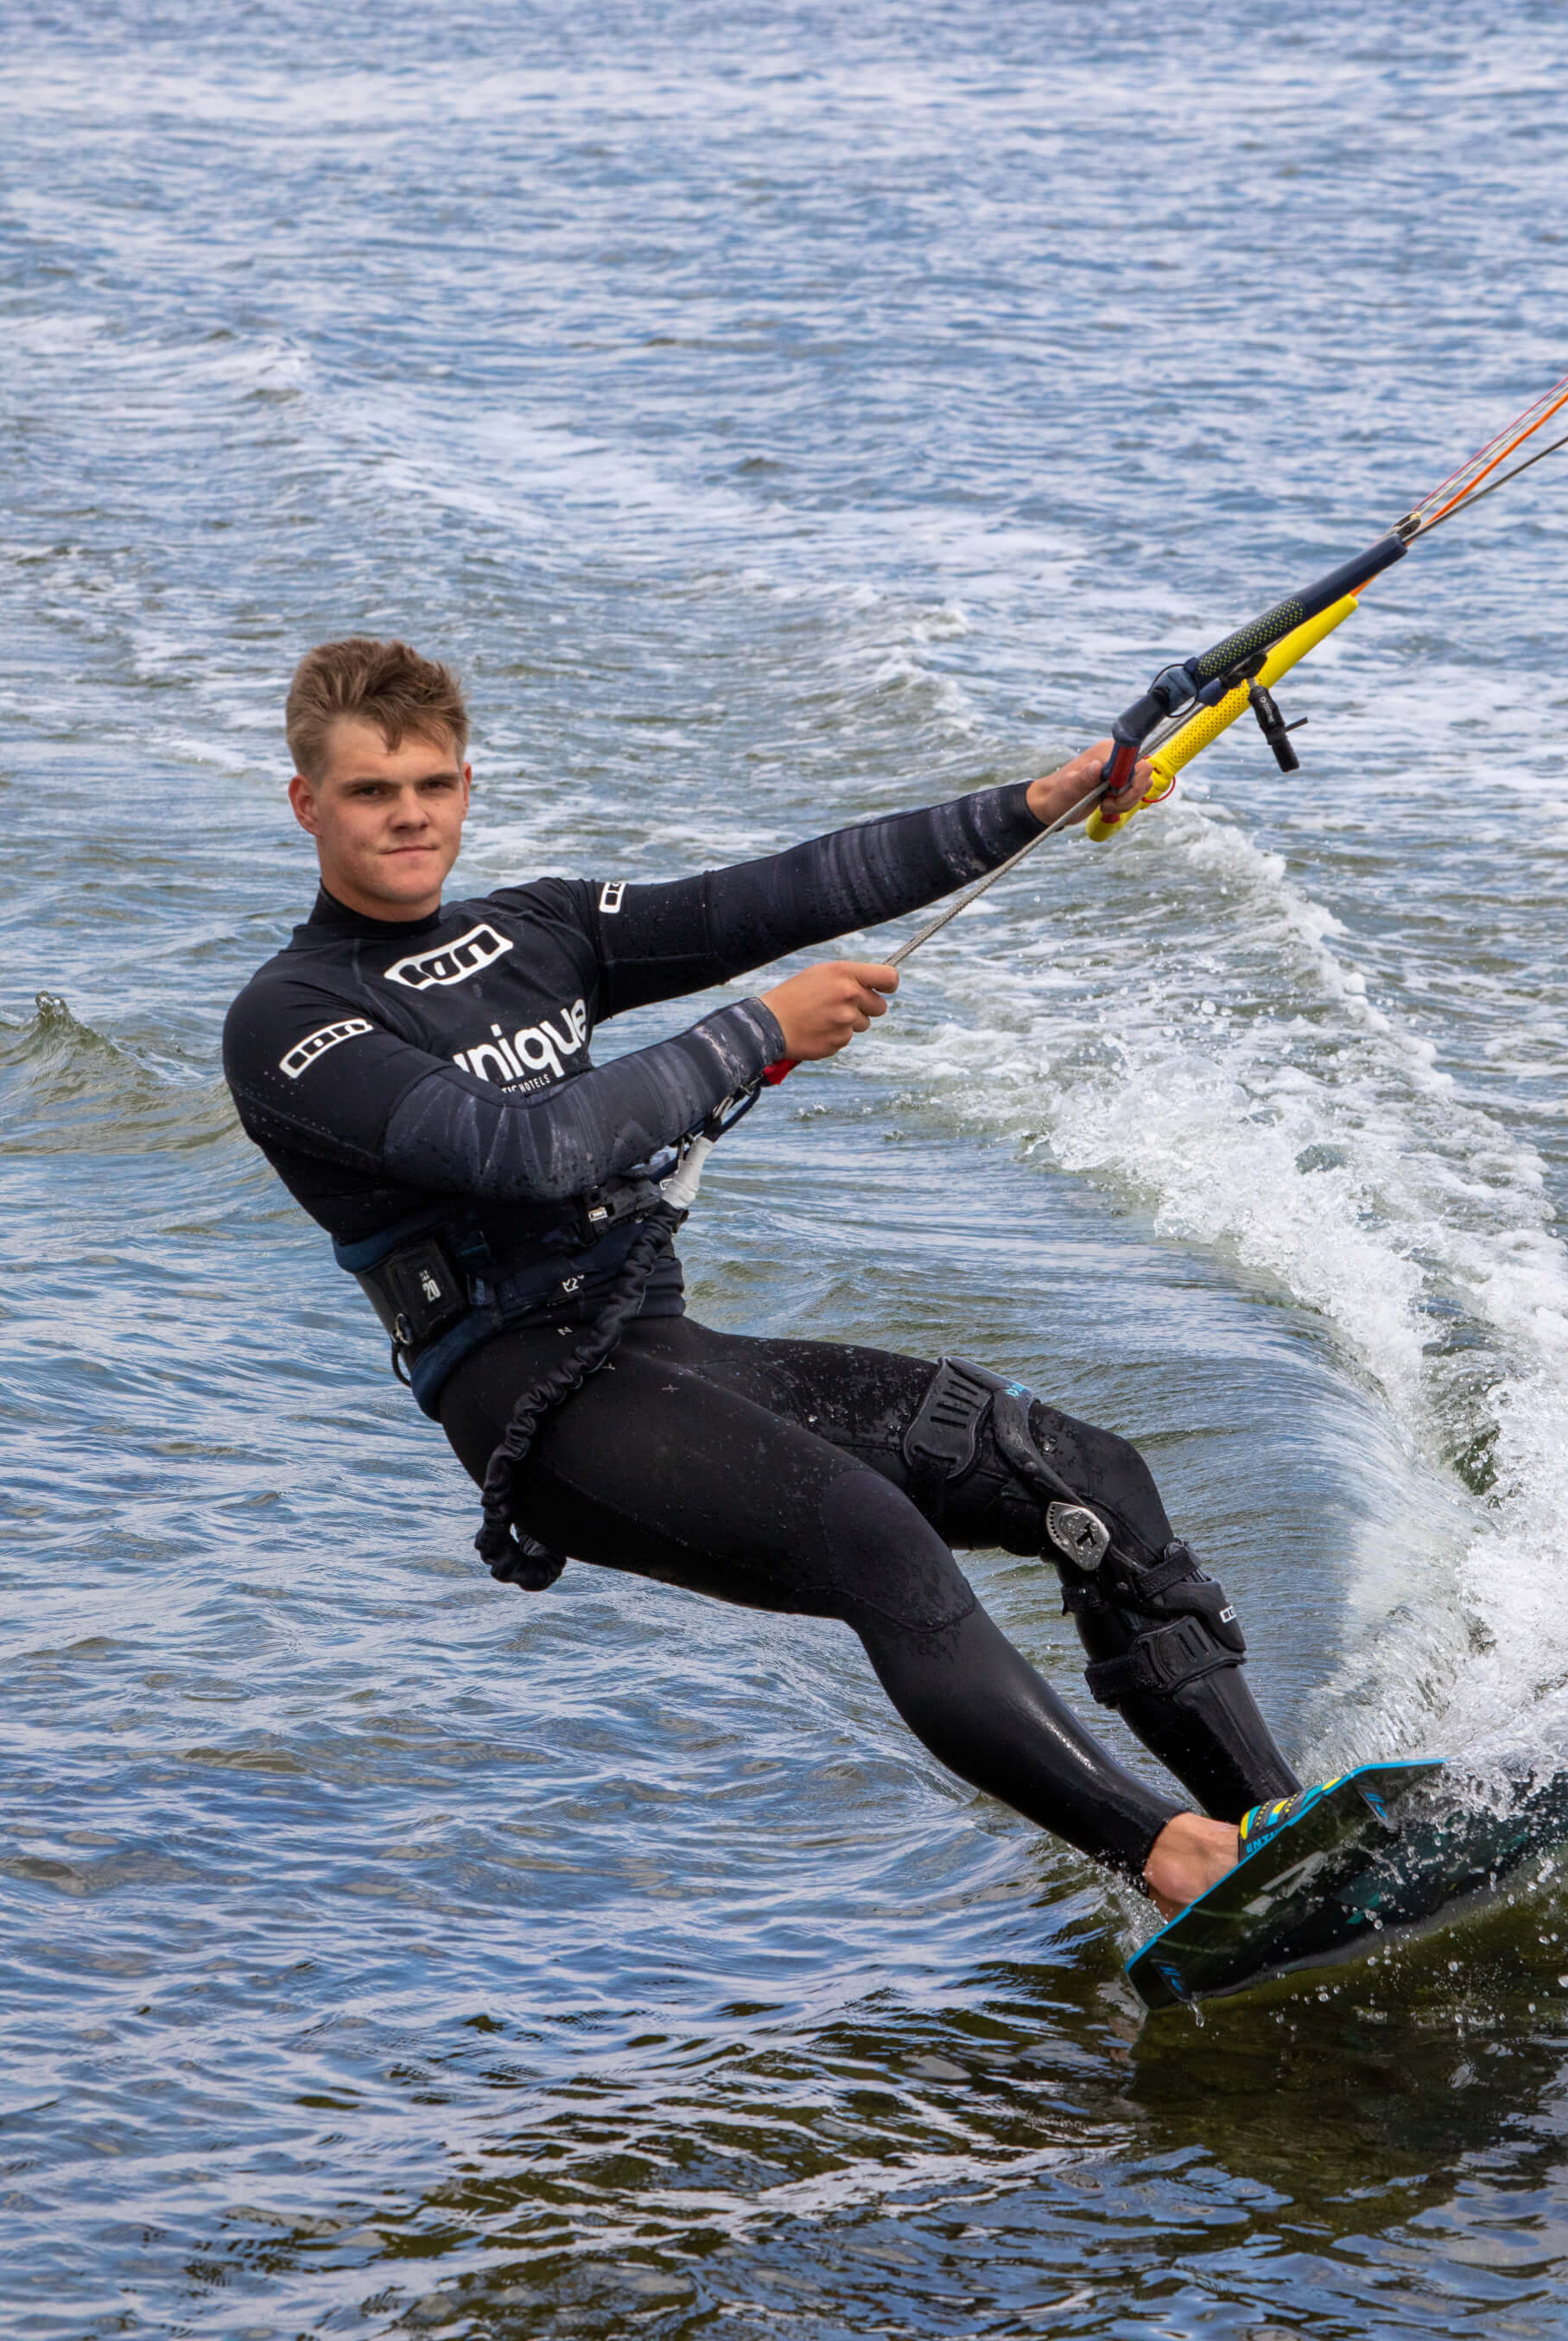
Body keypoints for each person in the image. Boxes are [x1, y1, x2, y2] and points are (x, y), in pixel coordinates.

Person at [223, 637, 1302, 1922]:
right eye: (369, 792)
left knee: (1088, 1476)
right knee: (874, 1539)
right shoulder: (288, 1019)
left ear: (466, 786)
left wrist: (1037, 803)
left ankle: (1282, 1832)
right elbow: (517, 1152)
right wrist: (757, 1032)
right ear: (308, 804)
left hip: (665, 1353)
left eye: (434, 786)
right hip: (536, 1404)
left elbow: (788, 893)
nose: (409, 816)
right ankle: (1171, 1860)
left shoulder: (541, 930)